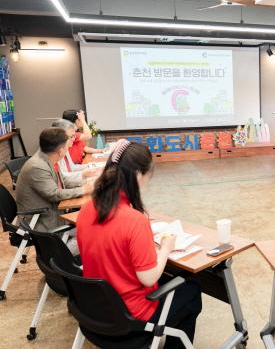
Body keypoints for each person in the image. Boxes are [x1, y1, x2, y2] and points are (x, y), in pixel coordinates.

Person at [76, 140, 202, 348]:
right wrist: (165, 249)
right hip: (130, 318)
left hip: (94, 310)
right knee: (191, 291)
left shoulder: (88, 209)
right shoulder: (134, 221)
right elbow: (149, 277)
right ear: (136, 175)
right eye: (147, 176)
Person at [15, 128, 93, 253]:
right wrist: (83, 190)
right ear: (61, 150)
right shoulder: (38, 166)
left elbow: (63, 183)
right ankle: (61, 260)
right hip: (41, 220)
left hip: (52, 213)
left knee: (91, 226)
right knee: (91, 233)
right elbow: (54, 194)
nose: (69, 147)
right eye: (68, 144)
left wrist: (86, 183)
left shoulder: (46, 159)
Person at [51, 119, 102, 184]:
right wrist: (84, 175)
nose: (74, 139)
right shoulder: (56, 153)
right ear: (60, 136)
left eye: (74, 136)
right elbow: (63, 180)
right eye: (71, 136)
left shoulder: (65, 148)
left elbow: (72, 168)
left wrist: (92, 166)